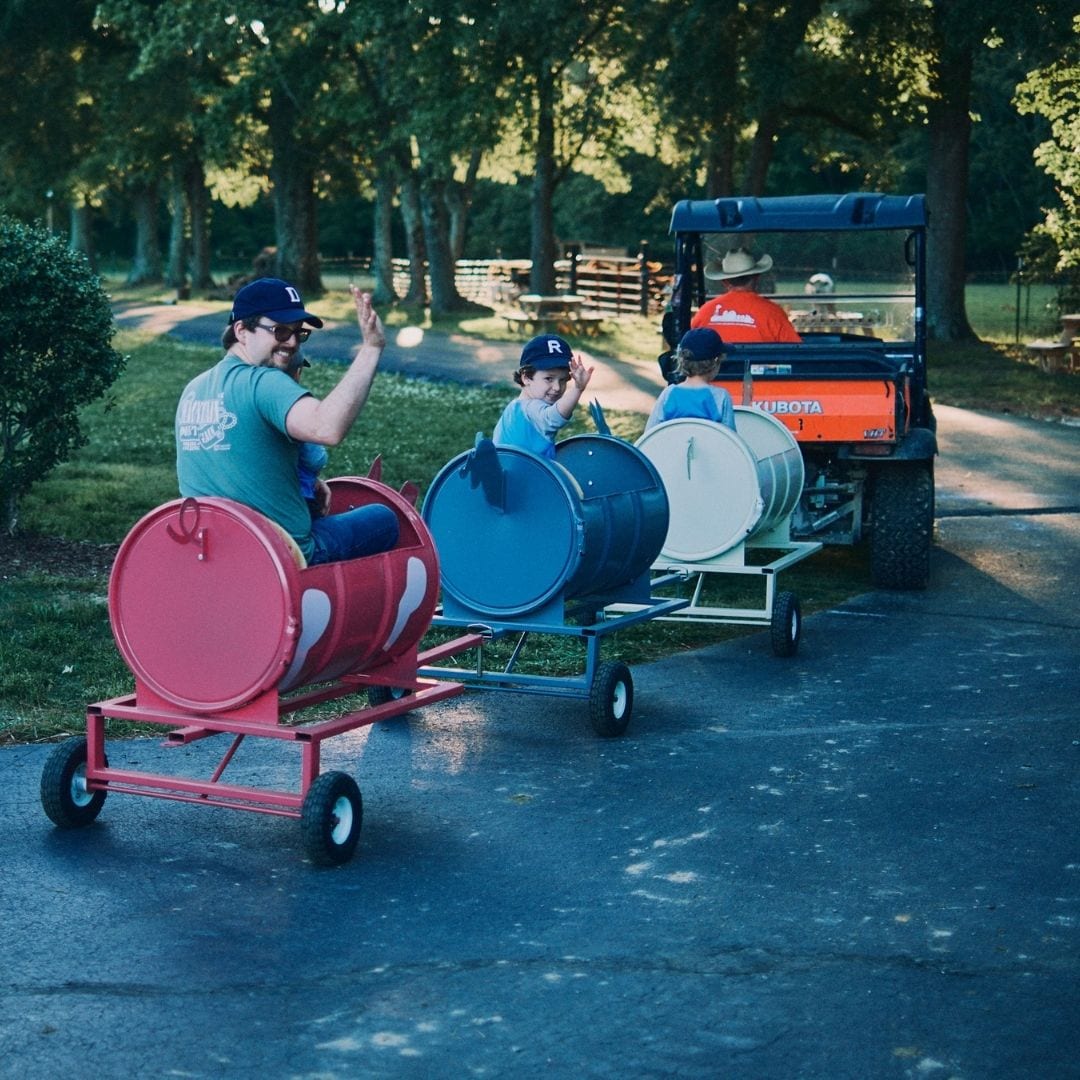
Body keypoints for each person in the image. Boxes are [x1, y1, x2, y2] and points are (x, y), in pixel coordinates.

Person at [175, 277, 399, 565]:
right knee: (384, 519)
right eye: (280, 331)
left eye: (298, 333)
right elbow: (326, 428)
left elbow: (236, 457)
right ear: (242, 330)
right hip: (281, 556)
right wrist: (371, 348)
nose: (292, 342)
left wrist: (308, 481)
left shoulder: (194, 389)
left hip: (209, 551)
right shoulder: (264, 382)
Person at [492, 334, 595, 460]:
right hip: (522, 477)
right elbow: (553, 418)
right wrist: (578, 389)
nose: (557, 387)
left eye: (563, 380)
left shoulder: (515, 408)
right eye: (549, 379)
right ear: (526, 377)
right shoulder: (530, 408)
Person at [691, 248, 802, 343]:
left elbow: (690, 348)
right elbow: (795, 351)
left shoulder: (704, 312)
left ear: (724, 281)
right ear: (756, 278)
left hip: (716, 368)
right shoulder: (773, 312)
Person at [269, 349, 330, 521]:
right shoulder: (295, 409)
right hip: (296, 501)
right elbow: (315, 459)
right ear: (298, 373)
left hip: (260, 501)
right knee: (382, 517)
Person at [645, 328, 736, 432]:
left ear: (681, 360)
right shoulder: (721, 396)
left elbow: (650, 433)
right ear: (716, 361)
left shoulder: (668, 393)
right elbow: (731, 441)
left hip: (671, 447)